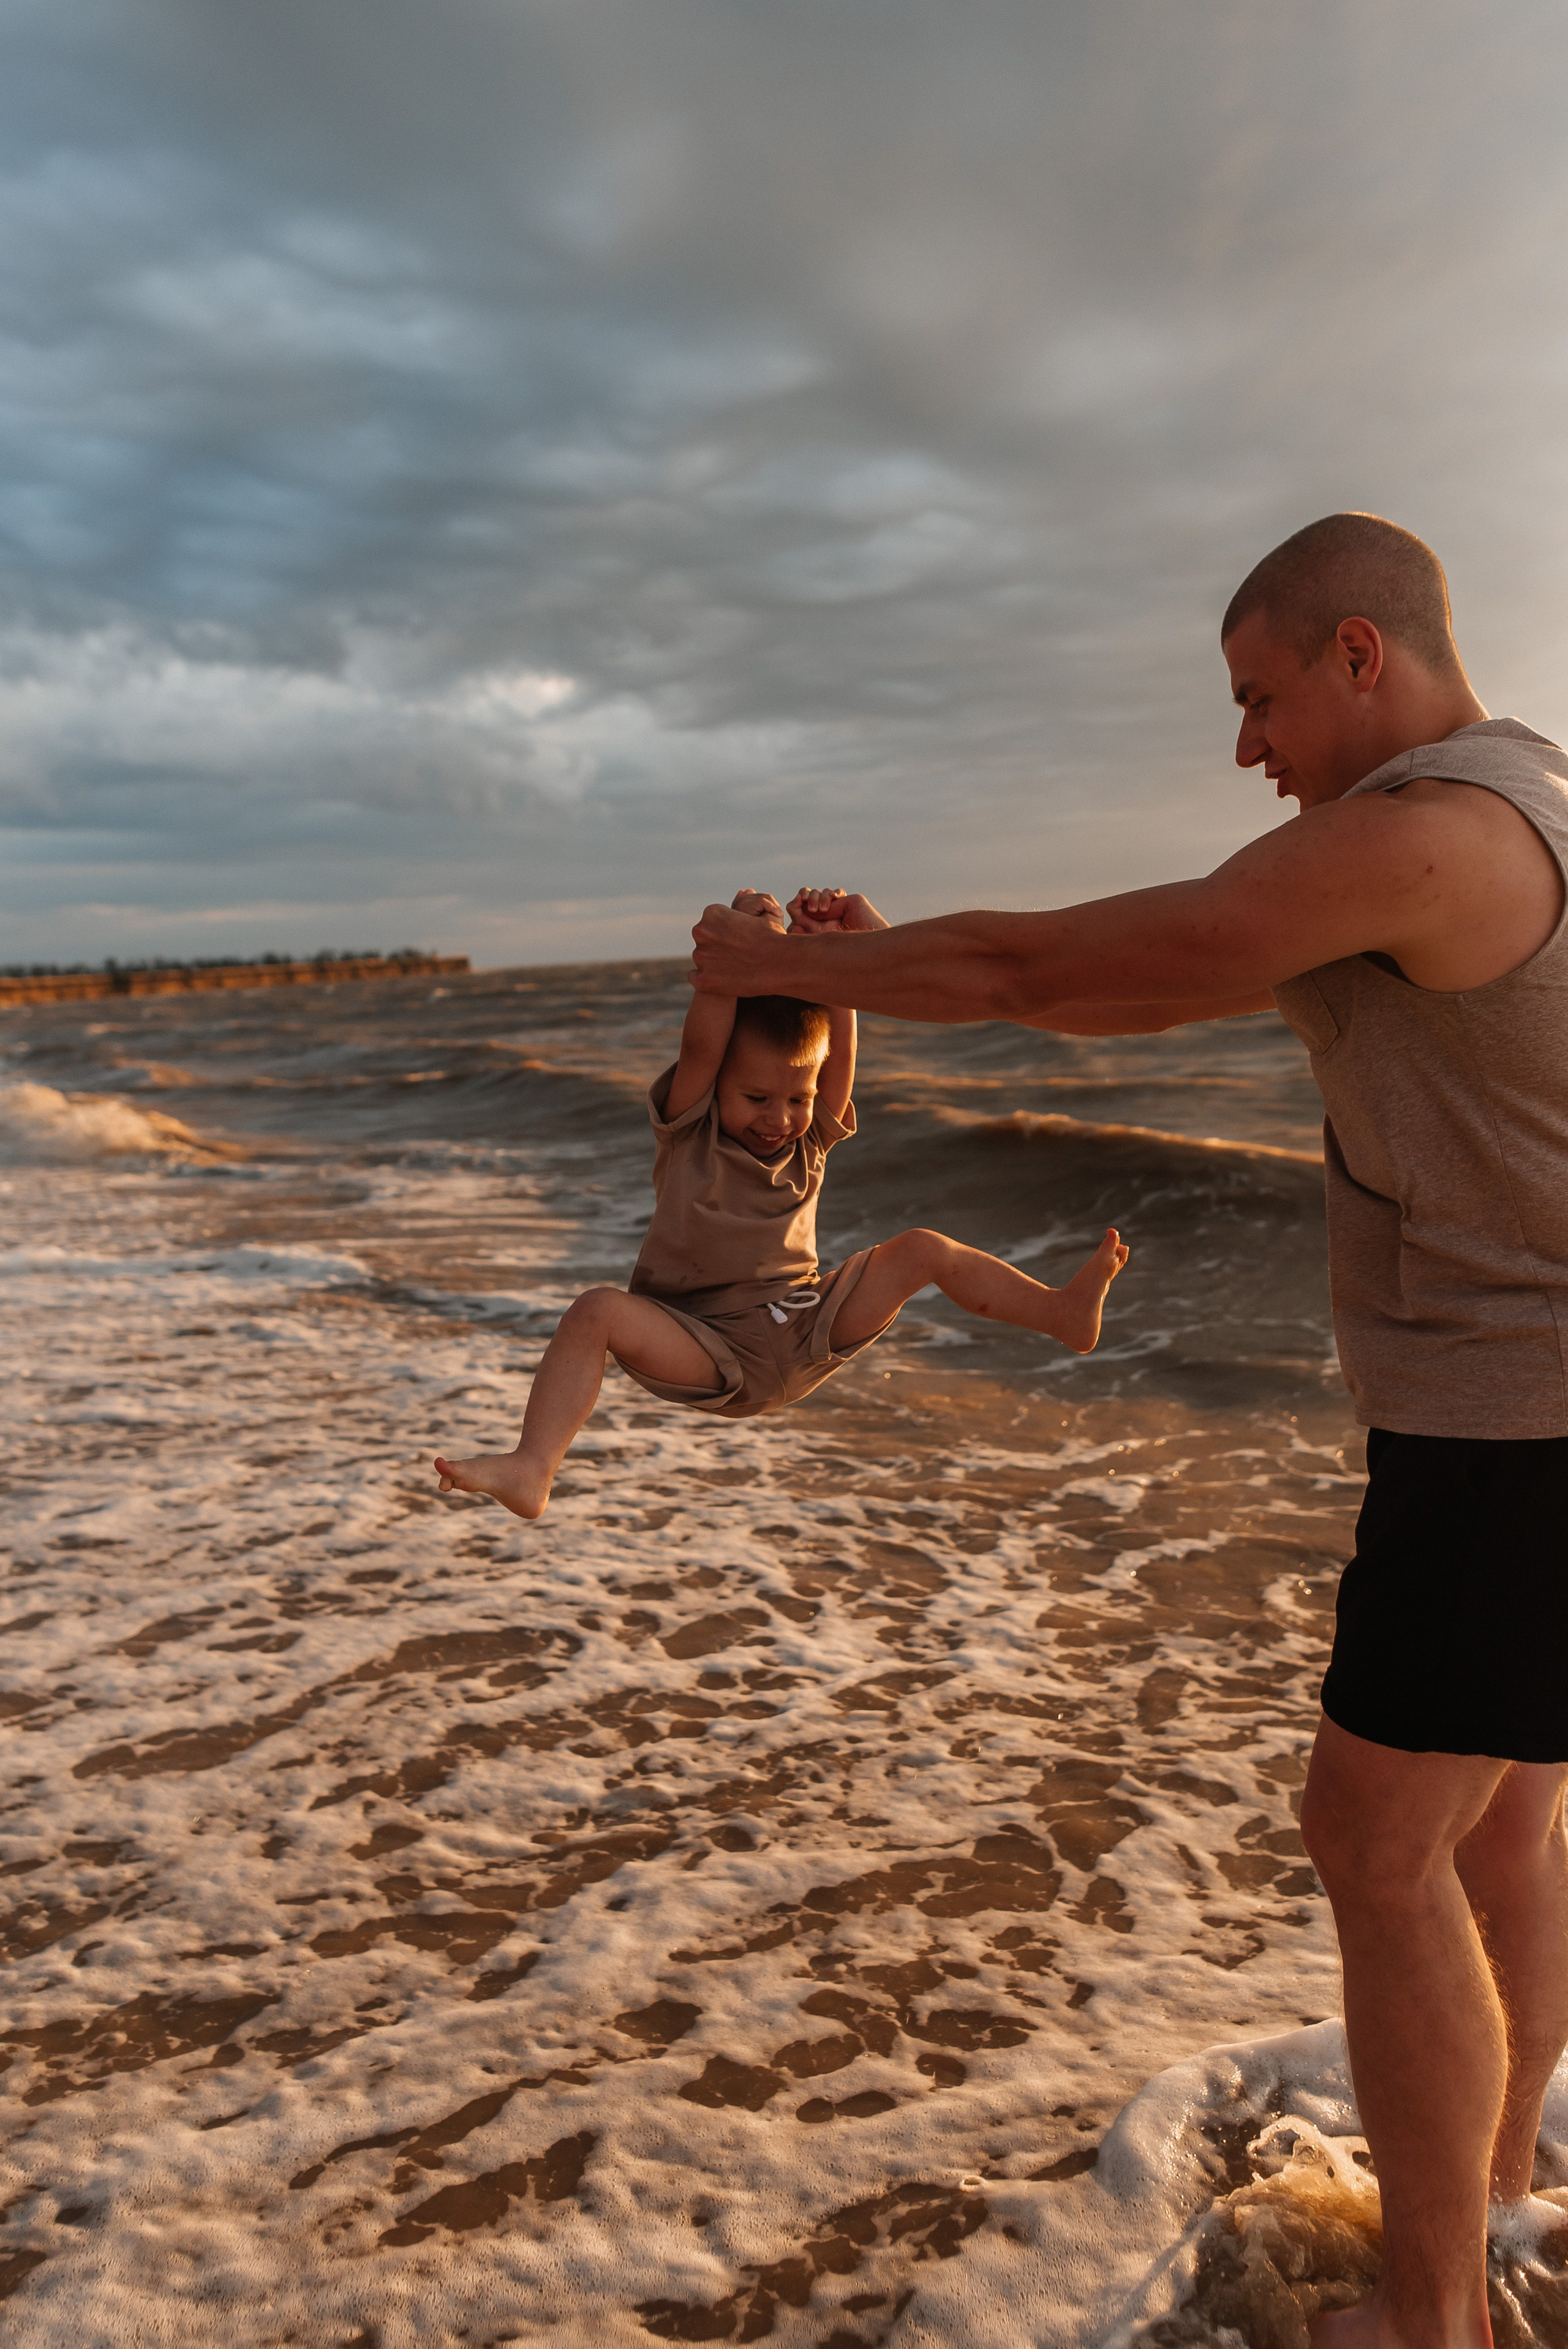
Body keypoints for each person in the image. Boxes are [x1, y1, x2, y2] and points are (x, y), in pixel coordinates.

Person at [688, 513, 1568, 2349]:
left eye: (1256, 699)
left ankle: (1433, 2323)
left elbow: (1062, 972)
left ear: (1356, 655)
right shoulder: (1530, 802)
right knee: (1494, 1835)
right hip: (1532, 1415)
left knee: (1374, 1841)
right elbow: (1114, 986)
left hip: (1514, 1434)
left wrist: (791, 968)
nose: (1243, 745)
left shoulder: (1423, 835)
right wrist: (875, 971)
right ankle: (1486, 2205)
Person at [434, 884, 1128, 1521]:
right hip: (703, 1344)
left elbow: (843, 1033)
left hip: (807, 1324)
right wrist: (745, 937)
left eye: (796, 1098)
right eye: (757, 1098)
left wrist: (833, 945)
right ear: (715, 1089)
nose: (779, 1117)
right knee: (595, 1312)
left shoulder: (811, 1140)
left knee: (921, 1249)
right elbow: (704, 1041)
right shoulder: (692, 1129)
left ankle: (1058, 1312)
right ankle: (534, 1465)